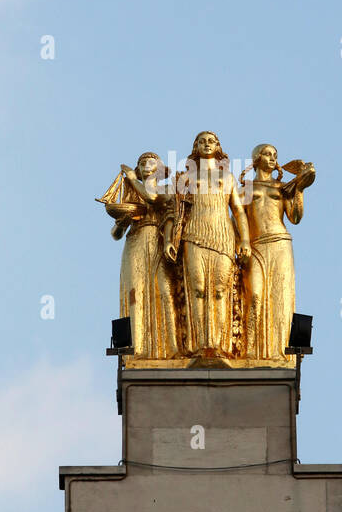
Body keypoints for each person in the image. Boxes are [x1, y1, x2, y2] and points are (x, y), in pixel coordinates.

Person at [168, 131, 251, 358]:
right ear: (196, 146)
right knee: (198, 289)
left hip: (223, 235)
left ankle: (219, 345)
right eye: (202, 141)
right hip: (194, 235)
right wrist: (170, 239)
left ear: (217, 146)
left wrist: (244, 239)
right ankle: (199, 345)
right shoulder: (186, 179)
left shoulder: (228, 178)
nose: (206, 144)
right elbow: (176, 213)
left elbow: (238, 211)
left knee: (220, 290)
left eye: (211, 141)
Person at [97, 152, 178, 359]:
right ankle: (138, 349)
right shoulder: (131, 197)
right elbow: (116, 235)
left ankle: (171, 347)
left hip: (158, 240)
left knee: (165, 290)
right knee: (135, 293)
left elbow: (156, 201)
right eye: (141, 163)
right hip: (135, 242)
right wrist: (122, 222)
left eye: (150, 162)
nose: (145, 165)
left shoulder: (166, 189)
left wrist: (132, 179)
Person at [240, 144, 315, 361]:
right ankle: (250, 349)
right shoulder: (245, 188)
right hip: (255, 244)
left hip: (280, 242)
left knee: (280, 296)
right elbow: (239, 218)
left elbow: (295, 217)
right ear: (256, 158)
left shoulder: (282, 188)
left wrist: (299, 189)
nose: (272, 158)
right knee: (254, 295)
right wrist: (240, 243)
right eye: (267, 154)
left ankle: (280, 351)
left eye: (275, 155)